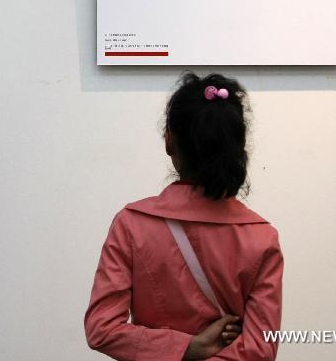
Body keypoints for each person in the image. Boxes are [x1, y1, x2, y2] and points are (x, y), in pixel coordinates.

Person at [85, 72, 283, 360]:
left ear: (169, 143)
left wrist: (184, 349)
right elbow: (261, 349)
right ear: (236, 148)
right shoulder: (262, 238)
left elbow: (101, 329)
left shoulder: (131, 224)